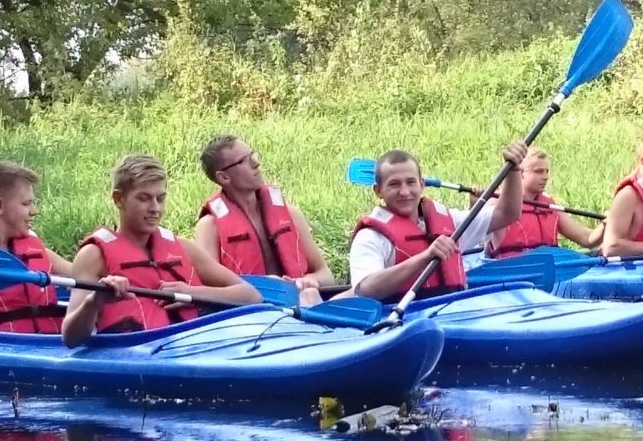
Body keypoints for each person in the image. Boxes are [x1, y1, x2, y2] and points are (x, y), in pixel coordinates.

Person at [61, 154, 261, 347]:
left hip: (195, 351)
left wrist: (193, 292)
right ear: (119, 199)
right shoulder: (93, 256)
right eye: (144, 198)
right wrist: (95, 301)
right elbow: (71, 338)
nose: (155, 208)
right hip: (135, 358)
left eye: (160, 198)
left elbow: (251, 295)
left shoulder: (183, 247)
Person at [347, 143, 526, 302]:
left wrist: (513, 170)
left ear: (422, 184)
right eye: (394, 184)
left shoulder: (450, 222)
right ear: (378, 191)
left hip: (456, 314)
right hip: (404, 322)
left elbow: (507, 214)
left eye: (410, 182)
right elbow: (366, 289)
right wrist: (425, 256)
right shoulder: (371, 237)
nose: (405, 191)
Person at [195, 135, 335, 306]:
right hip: (251, 315)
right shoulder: (209, 227)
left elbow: (326, 276)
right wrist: (264, 286)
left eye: (252, 155)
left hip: (301, 307)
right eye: (243, 161)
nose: (256, 163)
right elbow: (209, 293)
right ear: (224, 177)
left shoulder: (291, 214)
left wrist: (310, 280)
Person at [0, 161, 72, 333]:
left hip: (50, 343)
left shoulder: (32, 246)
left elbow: (79, 273)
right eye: (26, 204)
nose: (34, 211)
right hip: (2, 345)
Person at [484, 147, 604, 259]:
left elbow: (587, 239)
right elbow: (476, 230)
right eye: (539, 171)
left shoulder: (550, 205)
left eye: (547, 171)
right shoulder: (498, 204)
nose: (545, 176)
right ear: (521, 173)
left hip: (550, 268)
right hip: (512, 269)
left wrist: (605, 225)